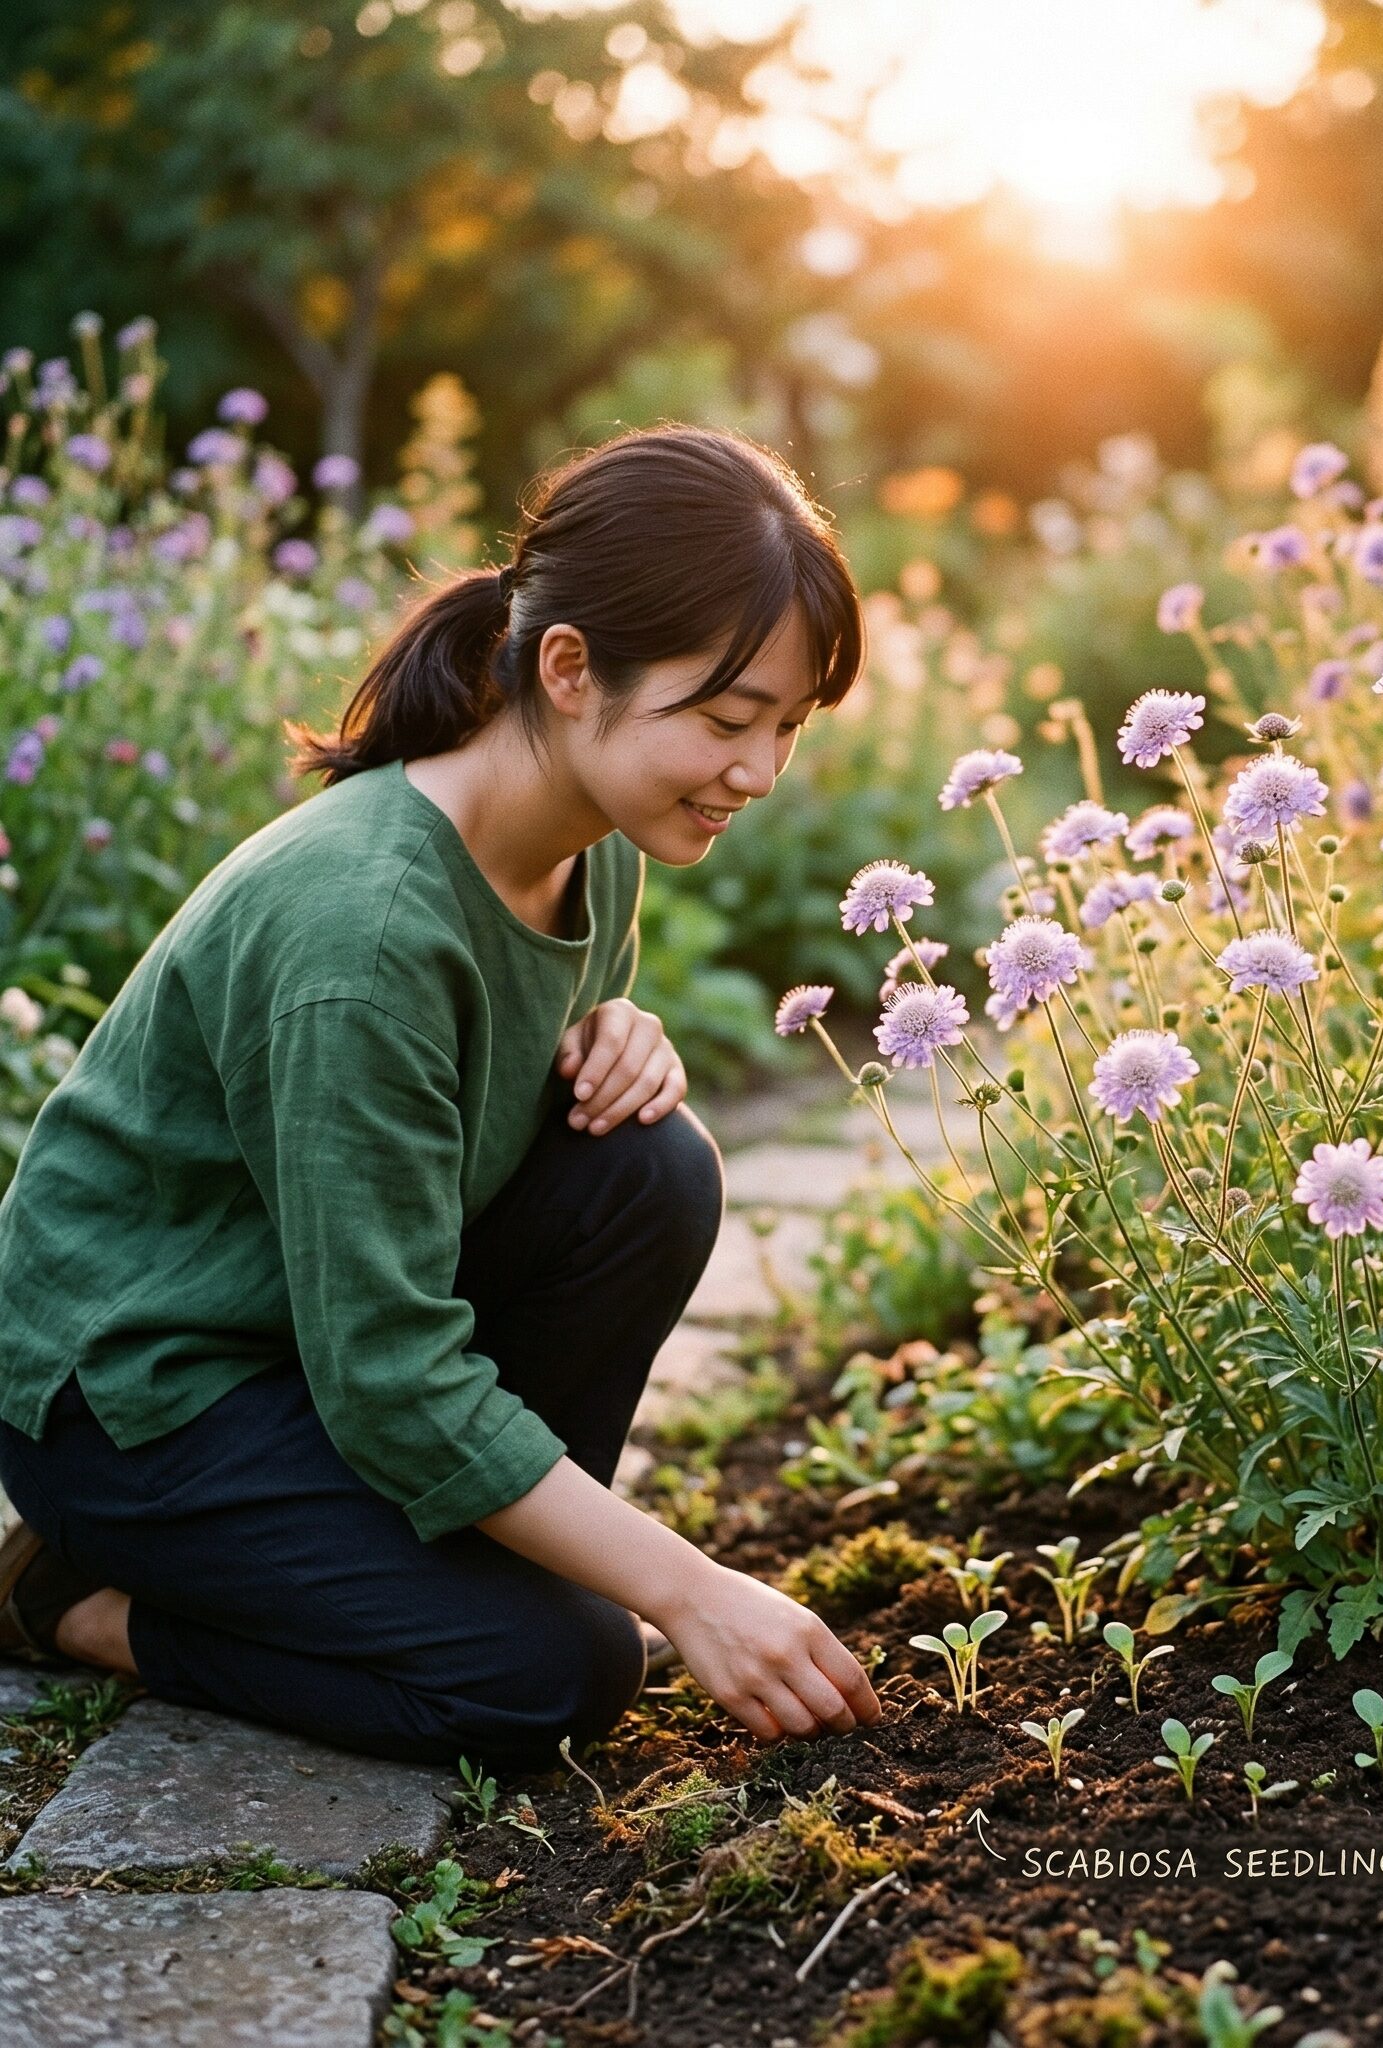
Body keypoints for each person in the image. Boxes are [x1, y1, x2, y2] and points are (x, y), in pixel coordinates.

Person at [0, 425, 883, 1767]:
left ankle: (466, 1565)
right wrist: (687, 1589)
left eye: (785, 726)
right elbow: (392, 1375)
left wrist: (616, 1028)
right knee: (553, 1674)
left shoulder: (599, 846)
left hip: (314, 1337)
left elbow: (477, 1171)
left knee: (651, 1169)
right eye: (723, 718)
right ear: (570, 668)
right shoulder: (364, 934)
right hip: (144, 1395)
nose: (758, 773)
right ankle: (70, 1601)